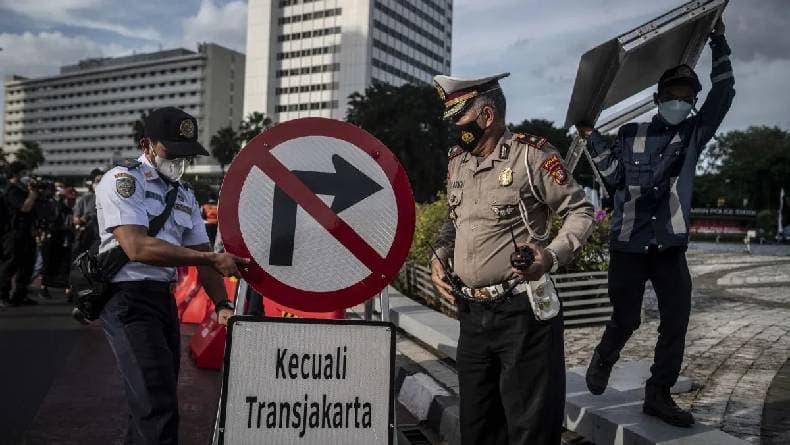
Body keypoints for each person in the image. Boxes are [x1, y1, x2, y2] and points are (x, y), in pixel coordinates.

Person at [575, 17, 734, 427]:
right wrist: (592, 137)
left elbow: (724, 93)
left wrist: (718, 41)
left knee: (675, 321)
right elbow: (613, 178)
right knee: (626, 318)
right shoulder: (631, 134)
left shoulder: (695, 133)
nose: (679, 100)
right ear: (658, 97)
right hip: (628, 244)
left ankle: (658, 394)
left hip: (669, 246)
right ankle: (604, 356)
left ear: (693, 102)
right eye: (673, 94)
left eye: (687, 95)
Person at [430, 73, 594, 444]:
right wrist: (441, 255)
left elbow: (580, 211)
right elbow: (455, 220)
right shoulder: (458, 162)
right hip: (472, 314)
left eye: (459, 117)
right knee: (477, 427)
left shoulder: (531, 155)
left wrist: (549, 256)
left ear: (486, 116)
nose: (454, 127)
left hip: (522, 313)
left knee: (529, 429)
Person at [95, 107, 249, 444]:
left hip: (163, 301)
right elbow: (137, 246)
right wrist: (209, 257)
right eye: (172, 151)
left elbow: (204, 258)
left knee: (154, 398)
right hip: (127, 300)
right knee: (157, 404)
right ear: (147, 145)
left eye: (186, 153)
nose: (180, 161)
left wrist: (221, 303)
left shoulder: (184, 195)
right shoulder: (123, 181)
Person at [0, 161, 40, 307]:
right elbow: (25, 207)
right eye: (24, 172)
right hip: (14, 234)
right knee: (10, 265)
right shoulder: (12, 190)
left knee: (27, 266)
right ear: (16, 174)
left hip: (26, 233)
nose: (27, 175)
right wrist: (33, 194)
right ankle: (3, 296)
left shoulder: (23, 189)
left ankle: (20, 295)